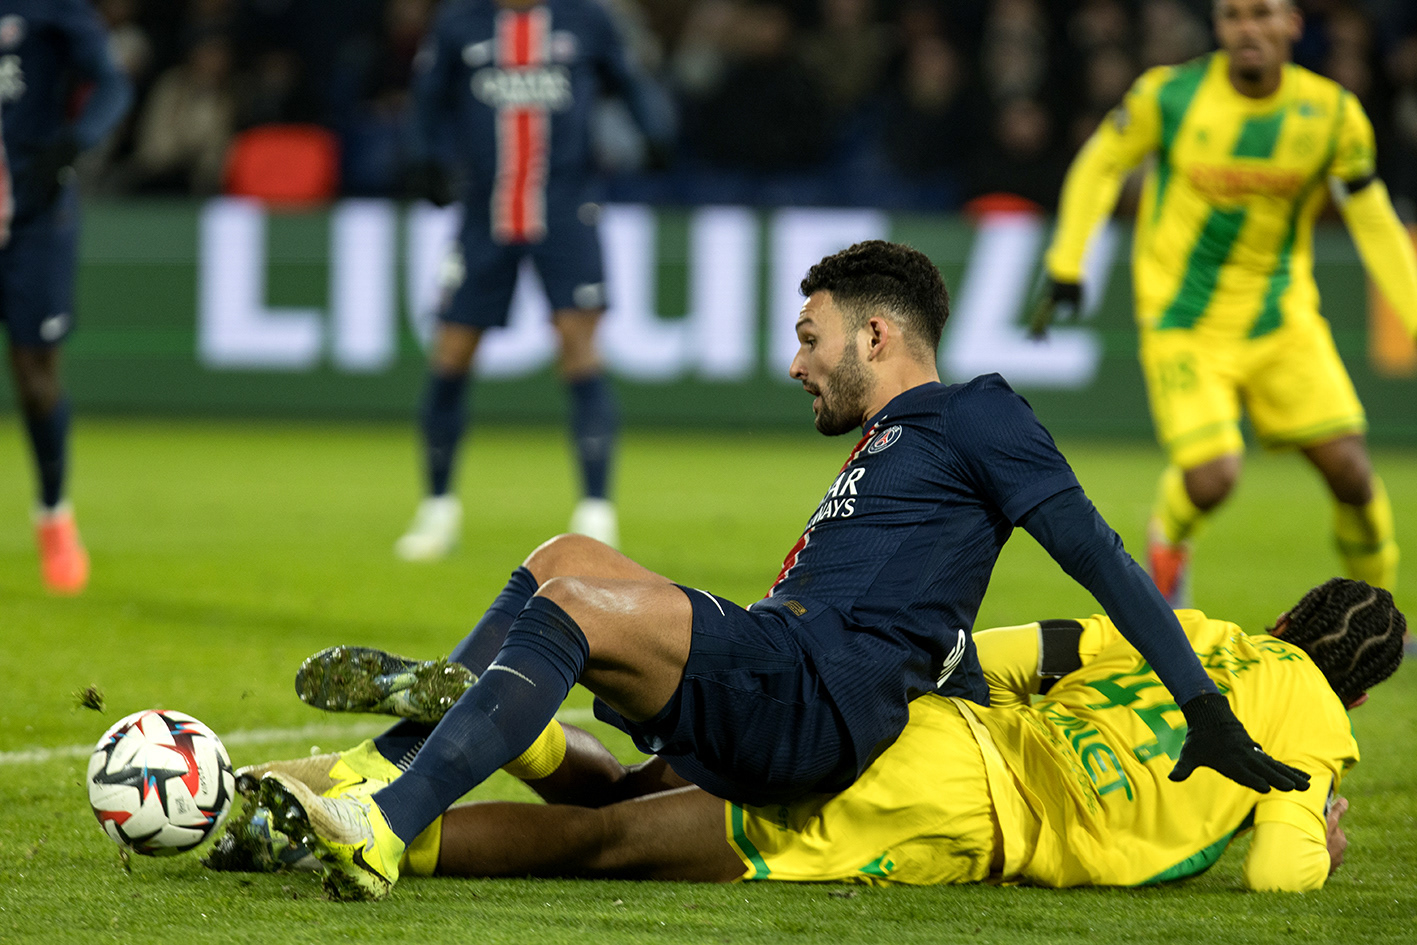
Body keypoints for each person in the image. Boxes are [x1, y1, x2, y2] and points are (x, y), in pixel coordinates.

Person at [257, 240, 1308, 900]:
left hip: (811, 690)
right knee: (560, 561)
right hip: (792, 666)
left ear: (877, 332)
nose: (795, 360)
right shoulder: (896, 449)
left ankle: (385, 824)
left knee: (578, 606)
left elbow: (1101, 558)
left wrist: (1203, 705)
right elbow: (930, 621)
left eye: (810, 337)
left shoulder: (977, 411)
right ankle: (384, 771)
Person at [211, 578, 1404, 892]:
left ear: (1284, 619)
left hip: (926, 733)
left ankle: (501, 742)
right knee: (620, 847)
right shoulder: (1311, 727)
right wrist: (1321, 845)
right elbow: (1278, 868)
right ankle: (357, 834)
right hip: (962, 816)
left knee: (630, 785)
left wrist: (885, 666)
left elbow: (1006, 654)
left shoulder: (1196, 631)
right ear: (1355, 694)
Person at [1033, 0, 1417, 607]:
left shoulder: (1332, 115)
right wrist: (1067, 260)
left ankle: (1378, 618)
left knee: (1351, 472)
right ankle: (1168, 538)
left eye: (1261, 13)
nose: (1246, 28)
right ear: (1218, 27)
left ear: (1292, 24)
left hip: (1280, 318)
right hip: (1184, 320)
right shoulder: (1170, 96)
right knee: (1214, 476)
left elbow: (1373, 222)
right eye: (1232, 15)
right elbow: (1102, 163)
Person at [394, 0, 676, 559]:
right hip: (484, 211)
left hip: (566, 208)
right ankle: (437, 509)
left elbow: (630, 79)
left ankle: (597, 513)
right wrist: (423, 157)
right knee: (451, 352)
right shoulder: (461, 24)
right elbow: (427, 99)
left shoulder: (586, 20)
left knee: (579, 349)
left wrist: (656, 131)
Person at [0, 0, 132, 593]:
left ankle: (53, 513)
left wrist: (75, 141)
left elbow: (111, 81)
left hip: (33, 212)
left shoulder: (49, 8)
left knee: (34, 371)